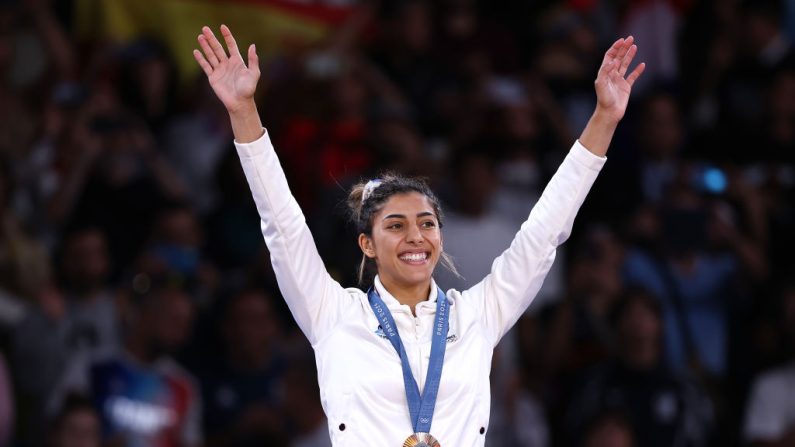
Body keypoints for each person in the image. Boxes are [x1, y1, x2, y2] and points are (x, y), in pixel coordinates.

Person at [192, 24, 645, 446]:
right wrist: (244, 112)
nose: (416, 236)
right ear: (366, 244)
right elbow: (282, 226)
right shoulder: (332, 314)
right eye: (396, 225)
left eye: (427, 224)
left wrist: (604, 118)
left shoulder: (476, 317)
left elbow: (545, 232)